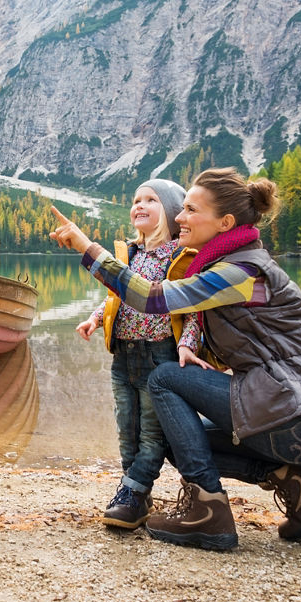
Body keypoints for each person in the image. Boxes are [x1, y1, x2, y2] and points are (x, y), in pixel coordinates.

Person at [49, 167, 301, 551]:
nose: (179, 216)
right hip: (298, 415)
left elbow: (150, 299)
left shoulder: (241, 271)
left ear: (225, 222)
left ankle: (208, 511)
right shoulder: (227, 264)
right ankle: (299, 482)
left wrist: (86, 246)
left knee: (163, 378)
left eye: (191, 210)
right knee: (171, 441)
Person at [74, 179, 203, 529]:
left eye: (151, 200)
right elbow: (116, 295)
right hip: (123, 356)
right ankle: (136, 494)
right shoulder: (130, 253)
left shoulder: (180, 257)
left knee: (151, 433)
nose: (139, 205)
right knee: (126, 430)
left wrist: (186, 345)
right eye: (135, 200)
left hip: (158, 356)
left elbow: (194, 311)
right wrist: (95, 319)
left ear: (173, 211)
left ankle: (132, 492)